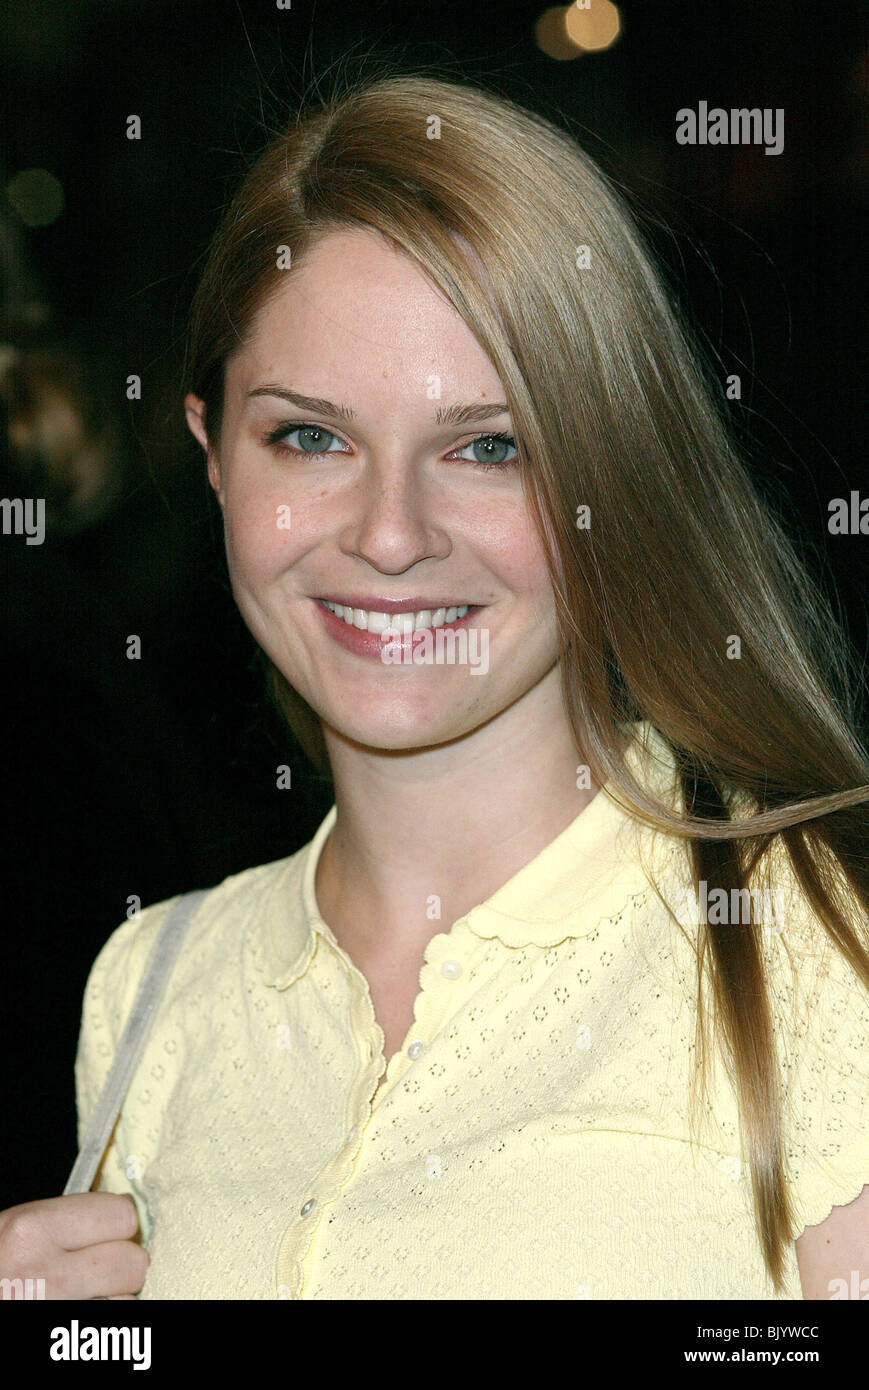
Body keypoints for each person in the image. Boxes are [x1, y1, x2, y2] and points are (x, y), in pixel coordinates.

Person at [1, 72, 867, 1301]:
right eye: (310, 435)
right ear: (211, 455)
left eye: (487, 446)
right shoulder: (151, 990)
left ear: (607, 479)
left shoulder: (818, 952)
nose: (391, 532)